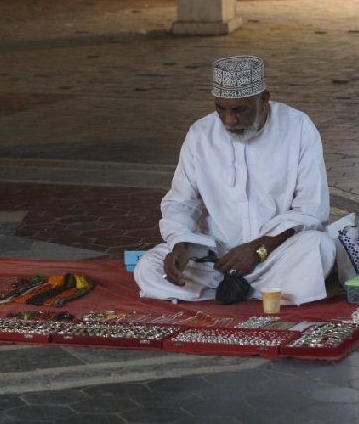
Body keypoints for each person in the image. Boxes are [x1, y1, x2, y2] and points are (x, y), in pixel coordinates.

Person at [134, 56, 336, 306]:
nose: (229, 120)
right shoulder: (200, 135)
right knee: (148, 267)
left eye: (240, 110)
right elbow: (181, 203)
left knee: (319, 247)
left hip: (273, 253)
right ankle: (263, 291)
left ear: (263, 100)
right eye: (221, 109)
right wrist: (179, 246)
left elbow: (311, 208)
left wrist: (257, 250)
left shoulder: (298, 128)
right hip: (218, 259)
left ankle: (236, 290)